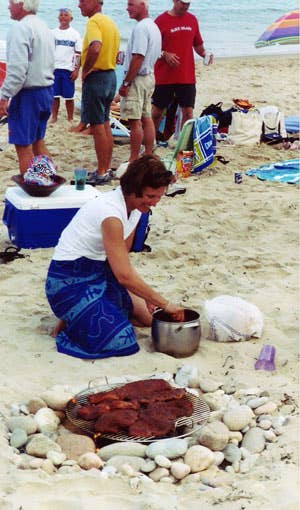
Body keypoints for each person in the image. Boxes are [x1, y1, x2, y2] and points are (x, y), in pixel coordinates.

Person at [45, 155, 184, 359]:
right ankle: (71, 320)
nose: (154, 203)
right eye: (151, 196)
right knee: (122, 339)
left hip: (99, 273)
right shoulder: (110, 214)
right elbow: (123, 275)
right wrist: (164, 302)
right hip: (68, 281)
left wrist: (146, 297)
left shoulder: (136, 208)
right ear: (133, 189)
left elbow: (120, 261)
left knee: (148, 318)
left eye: (158, 197)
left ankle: (78, 316)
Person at [0, 0, 55, 174]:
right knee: (38, 141)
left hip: (28, 94)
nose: (8, 6)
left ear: (21, 4)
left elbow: (17, 70)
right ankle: (48, 180)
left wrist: (4, 95)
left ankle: (33, 188)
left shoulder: (20, 28)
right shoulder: (44, 27)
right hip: (46, 90)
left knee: (23, 147)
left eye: (10, 3)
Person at [151, 0, 213, 133]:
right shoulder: (161, 21)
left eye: (188, 4)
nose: (185, 6)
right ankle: (149, 143)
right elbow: (151, 48)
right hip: (164, 76)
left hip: (186, 76)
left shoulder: (192, 19)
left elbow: (197, 44)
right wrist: (164, 54)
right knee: (156, 113)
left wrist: (205, 54)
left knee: (188, 113)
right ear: (174, 1)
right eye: (182, 3)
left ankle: (182, 145)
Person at [77, 0, 120, 185]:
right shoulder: (110, 22)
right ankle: (106, 168)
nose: (79, 5)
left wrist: (85, 69)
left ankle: (102, 171)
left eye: (82, 1)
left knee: (97, 126)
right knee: (104, 123)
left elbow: (95, 46)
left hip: (98, 77)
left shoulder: (93, 21)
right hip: (110, 76)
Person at [119, 0, 161, 164]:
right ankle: (148, 153)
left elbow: (138, 56)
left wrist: (126, 83)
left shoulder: (142, 27)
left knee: (135, 121)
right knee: (146, 117)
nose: (127, 8)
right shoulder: (153, 26)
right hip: (149, 75)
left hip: (138, 78)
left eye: (131, 4)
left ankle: (134, 158)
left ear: (143, 5)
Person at [50, 8, 82, 123]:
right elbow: (48, 51)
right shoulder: (53, 33)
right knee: (54, 95)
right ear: (58, 18)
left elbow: (78, 54)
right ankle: (54, 117)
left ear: (71, 18)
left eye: (66, 15)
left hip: (68, 70)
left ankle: (70, 118)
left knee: (69, 97)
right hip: (54, 69)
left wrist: (76, 70)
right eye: (61, 15)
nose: (63, 17)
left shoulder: (75, 34)